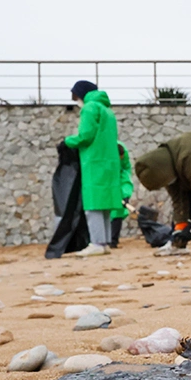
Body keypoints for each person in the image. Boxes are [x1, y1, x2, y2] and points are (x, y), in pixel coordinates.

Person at [62, 80, 122, 257]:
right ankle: (105, 242)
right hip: (109, 163)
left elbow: (86, 136)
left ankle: (96, 243)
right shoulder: (108, 111)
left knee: (93, 204)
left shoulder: (89, 108)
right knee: (105, 205)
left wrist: (67, 141)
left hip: (94, 161)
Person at [110, 143, 133, 248]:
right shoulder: (104, 155)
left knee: (117, 211)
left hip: (117, 182)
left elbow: (125, 174)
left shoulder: (124, 155)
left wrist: (125, 194)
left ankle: (113, 240)